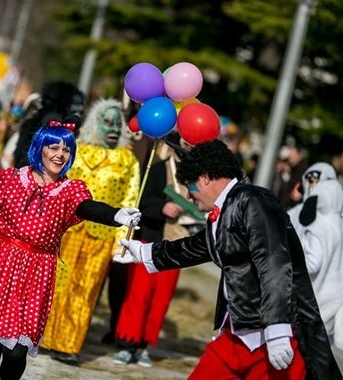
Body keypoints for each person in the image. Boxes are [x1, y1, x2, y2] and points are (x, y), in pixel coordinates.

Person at [114, 139, 341, 379]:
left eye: (189, 186)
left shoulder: (254, 200)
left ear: (205, 178)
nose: (189, 197)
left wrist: (277, 328)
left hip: (276, 342)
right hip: (235, 336)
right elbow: (197, 247)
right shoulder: (227, 208)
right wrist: (144, 252)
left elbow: (274, 262)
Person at [0, 117, 141, 380]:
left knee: (17, 351)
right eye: (54, 147)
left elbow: (87, 207)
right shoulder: (8, 179)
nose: (60, 155)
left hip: (36, 273)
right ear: (40, 147)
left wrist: (116, 214)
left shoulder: (70, 190)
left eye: (66, 150)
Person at [41, 98, 140, 365]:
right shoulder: (77, 150)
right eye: (107, 122)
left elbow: (130, 201)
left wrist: (122, 244)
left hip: (103, 236)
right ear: (96, 123)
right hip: (69, 231)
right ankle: (45, 337)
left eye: (118, 124)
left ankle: (68, 345)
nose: (113, 128)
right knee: (58, 286)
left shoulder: (128, 160)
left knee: (85, 291)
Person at [111, 135, 201, 367]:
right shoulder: (158, 169)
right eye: (185, 146)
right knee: (138, 295)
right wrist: (162, 207)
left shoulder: (198, 179)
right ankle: (126, 342)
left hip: (177, 244)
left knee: (160, 299)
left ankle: (144, 345)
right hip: (151, 240)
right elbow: (141, 203)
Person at [287, 162, 343, 351]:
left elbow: (312, 262)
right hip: (325, 302)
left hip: (309, 299)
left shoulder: (318, 222)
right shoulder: (298, 214)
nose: (313, 185)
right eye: (310, 179)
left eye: (317, 180)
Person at [12, 80, 84, 168]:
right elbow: (22, 163)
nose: (78, 116)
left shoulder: (78, 134)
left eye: (80, 111)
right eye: (74, 111)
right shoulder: (32, 128)